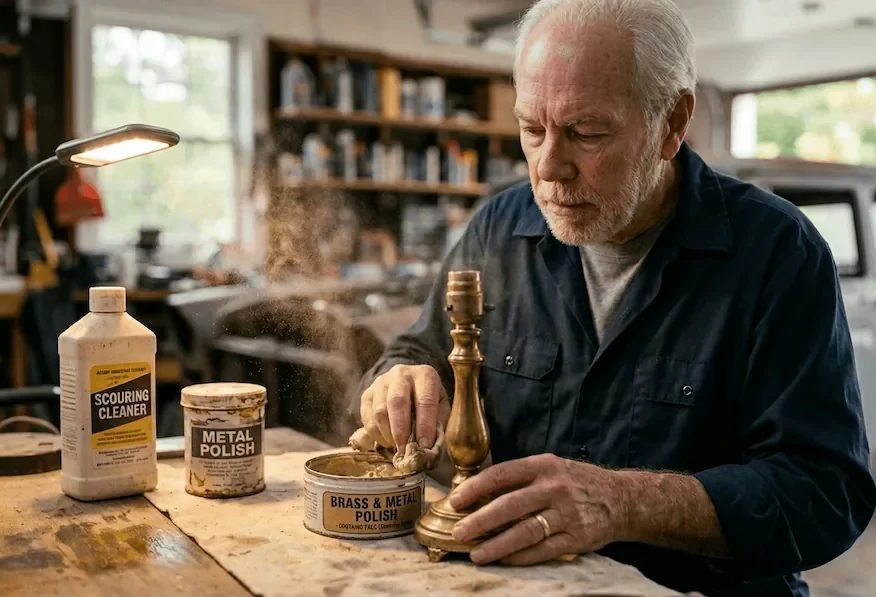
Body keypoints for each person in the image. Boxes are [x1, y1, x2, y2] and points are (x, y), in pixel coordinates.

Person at [350, 0, 876, 595]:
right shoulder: (499, 226)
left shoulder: (779, 253)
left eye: (586, 133)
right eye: (531, 129)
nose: (549, 167)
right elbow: (420, 349)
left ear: (672, 123)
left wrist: (623, 502)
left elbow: (826, 495)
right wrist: (401, 380)